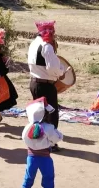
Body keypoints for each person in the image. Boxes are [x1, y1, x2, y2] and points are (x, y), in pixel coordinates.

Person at [27, 20, 68, 152]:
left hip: (34, 83)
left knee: (39, 114)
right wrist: (61, 74)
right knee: (51, 114)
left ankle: (39, 141)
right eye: (53, 32)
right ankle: (49, 143)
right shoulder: (46, 46)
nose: (54, 35)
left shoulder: (33, 43)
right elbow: (52, 68)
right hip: (45, 85)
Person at [21, 97, 63, 188]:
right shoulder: (49, 127)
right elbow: (56, 139)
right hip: (45, 157)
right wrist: (55, 139)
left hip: (31, 156)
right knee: (48, 176)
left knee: (29, 175)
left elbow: (24, 138)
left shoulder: (27, 127)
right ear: (45, 115)